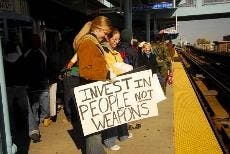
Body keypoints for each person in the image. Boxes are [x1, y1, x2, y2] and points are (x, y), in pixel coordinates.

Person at [67, 16, 112, 154]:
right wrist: (105, 76)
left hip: (93, 89)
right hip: (90, 90)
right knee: (94, 130)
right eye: (105, 33)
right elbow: (85, 72)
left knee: (96, 129)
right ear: (97, 29)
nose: (105, 37)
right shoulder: (88, 43)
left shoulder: (91, 42)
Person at [101, 27, 133, 151]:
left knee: (121, 109)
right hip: (109, 85)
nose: (117, 41)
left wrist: (123, 68)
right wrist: (120, 69)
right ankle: (109, 139)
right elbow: (108, 68)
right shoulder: (104, 51)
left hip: (118, 85)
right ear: (107, 38)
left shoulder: (115, 52)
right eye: (114, 39)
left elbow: (119, 64)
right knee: (112, 113)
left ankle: (123, 133)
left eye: (118, 39)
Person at [2, 38, 38, 143]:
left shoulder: (3, 60)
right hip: (21, 88)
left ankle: (11, 133)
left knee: (9, 112)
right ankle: (33, 131)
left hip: (8, 89)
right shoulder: (21, 58)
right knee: (27, 111)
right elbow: (26, 72)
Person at [24, 34, 52, 142]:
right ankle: (38, 120)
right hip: (35, 85)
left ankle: (40, 119)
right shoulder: (33, 53)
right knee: (37, 105)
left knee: (40, 104)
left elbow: (47, 67)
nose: (38, 42)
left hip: (39, 84)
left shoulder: (40, 53)